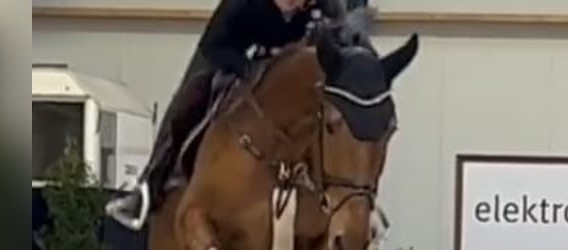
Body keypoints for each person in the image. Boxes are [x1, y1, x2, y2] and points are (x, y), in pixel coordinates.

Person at [106, 0, 377, 231]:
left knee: (336, 115)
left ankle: (356, 194)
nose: (299, 4)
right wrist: (247, 69)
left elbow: (343, 37)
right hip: (238, 61)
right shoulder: (243, 4)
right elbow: (214, 46)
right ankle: (149, 185)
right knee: (190, 98)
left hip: (294, 78)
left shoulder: (323, 4)